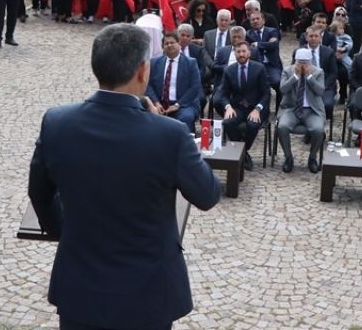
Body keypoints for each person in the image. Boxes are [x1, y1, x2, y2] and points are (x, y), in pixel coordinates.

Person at [28, 23, 219, 330]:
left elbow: (39, 194)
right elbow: (208, 195)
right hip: (148, 291)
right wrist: (164, 129)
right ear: (143, 71)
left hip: (80, 284)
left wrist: (63, 231)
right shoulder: (170, 135)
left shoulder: (57, 123)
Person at [214, 42, 268, 170]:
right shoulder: (229, 70)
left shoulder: (259, 68)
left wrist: (258, 109)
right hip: (238, 107)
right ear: (235, 54)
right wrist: (227, 106)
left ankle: (243, 152)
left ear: (249, 53)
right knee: (227, 122)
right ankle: (243, 154)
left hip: (256, 107)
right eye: (238, 52)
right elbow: (223, 94)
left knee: (252, 124)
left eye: (244, 51)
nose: (241, 54)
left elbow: (266, 93)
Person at [275, 48, 326, 174]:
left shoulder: (318, 72)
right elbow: (283, 90)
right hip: (291, 109)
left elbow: (320, 91)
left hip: (311, 110)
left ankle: (312, 157)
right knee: (282, 127)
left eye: (305, 63)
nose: (302, 65)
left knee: (318, 130)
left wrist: (309, 77)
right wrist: (295, 77)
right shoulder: (288, 71)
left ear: (310, 62)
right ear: (295, 61)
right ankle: (288, 157)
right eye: (300, 62)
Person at [145, 33, 203, 131]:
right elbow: (148, 84)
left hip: (184, 104)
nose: (169, 45)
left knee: (186, 118)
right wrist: (156, 103)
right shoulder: (154, 62)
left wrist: (177, 105)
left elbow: (195, 87)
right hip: (160, 104)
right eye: (166, 43)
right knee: (146, 116)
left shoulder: (190, 63)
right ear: (162, 47)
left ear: (179, 44)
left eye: (172, 42)